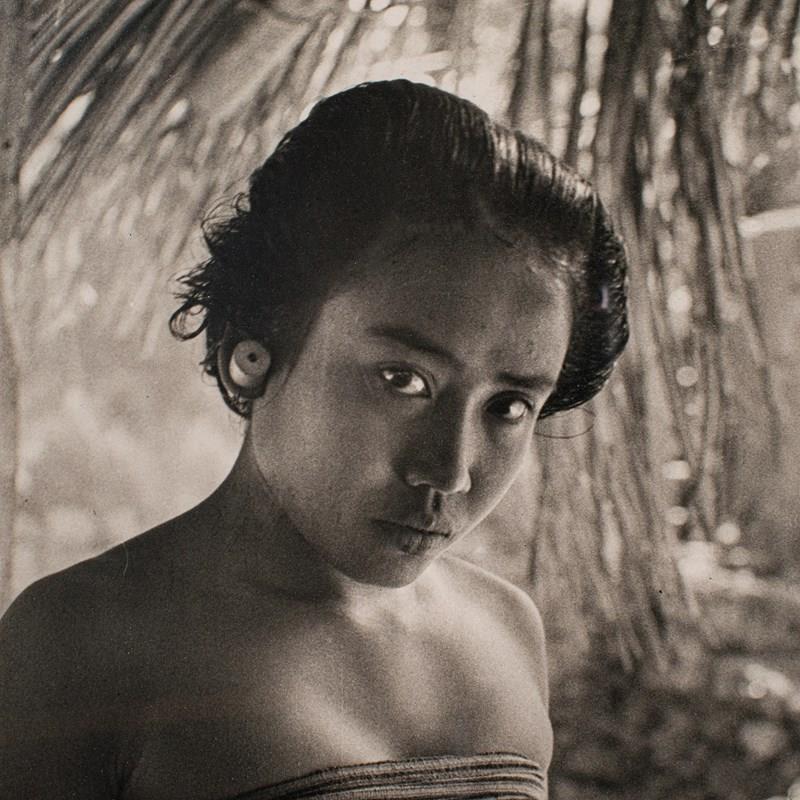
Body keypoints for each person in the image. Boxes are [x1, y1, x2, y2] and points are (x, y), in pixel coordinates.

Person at [0, 79, 628, 799]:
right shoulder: (82, 644)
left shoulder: (507, 630)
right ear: (255, 347)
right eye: (403, 379)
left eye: (509, 406)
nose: (450, 470)